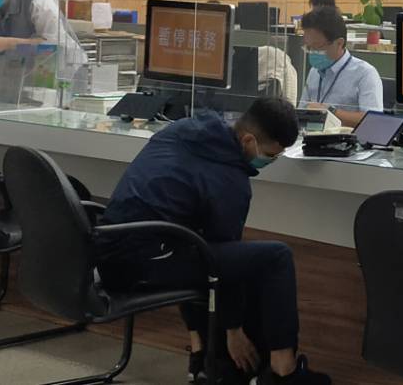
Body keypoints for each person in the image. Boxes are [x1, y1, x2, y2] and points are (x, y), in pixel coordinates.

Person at [98, 97, 330, 385]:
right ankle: (285, 371)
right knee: (275, 257)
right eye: (271, 154)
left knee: (193, 241)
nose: (270, 161)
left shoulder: (182, 130)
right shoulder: (230, 180)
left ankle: (201, 355)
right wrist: (234, 331)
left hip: (110, 246)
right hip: (138, 264)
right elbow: (218, 267)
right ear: (248, 140)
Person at [297, 5, 381, 127]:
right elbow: (302, 110)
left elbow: (374, 121)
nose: (313, 52)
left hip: (346, 138)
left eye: (317, 47)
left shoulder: (365, 73)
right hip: (312, 136)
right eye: (309, 47)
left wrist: (330, 111)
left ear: (339, 43)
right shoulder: (315, 71)